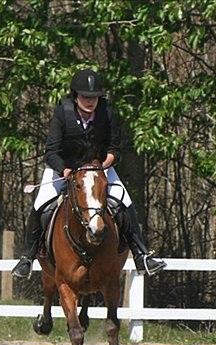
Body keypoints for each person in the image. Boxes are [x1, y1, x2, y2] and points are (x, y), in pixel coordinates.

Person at [12, 68, 166, 279]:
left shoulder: (107, 112)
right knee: (41, 205)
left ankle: (142, 255)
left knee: (125, 202)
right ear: (75, 96)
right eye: (85, 96)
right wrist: (64, 170)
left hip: (98, 170)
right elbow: (51, 151)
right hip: (65, 168)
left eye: (94, 97)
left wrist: (107, 161)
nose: (90, 101)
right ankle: (28, 258)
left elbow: (115, 147)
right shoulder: (62, 113)